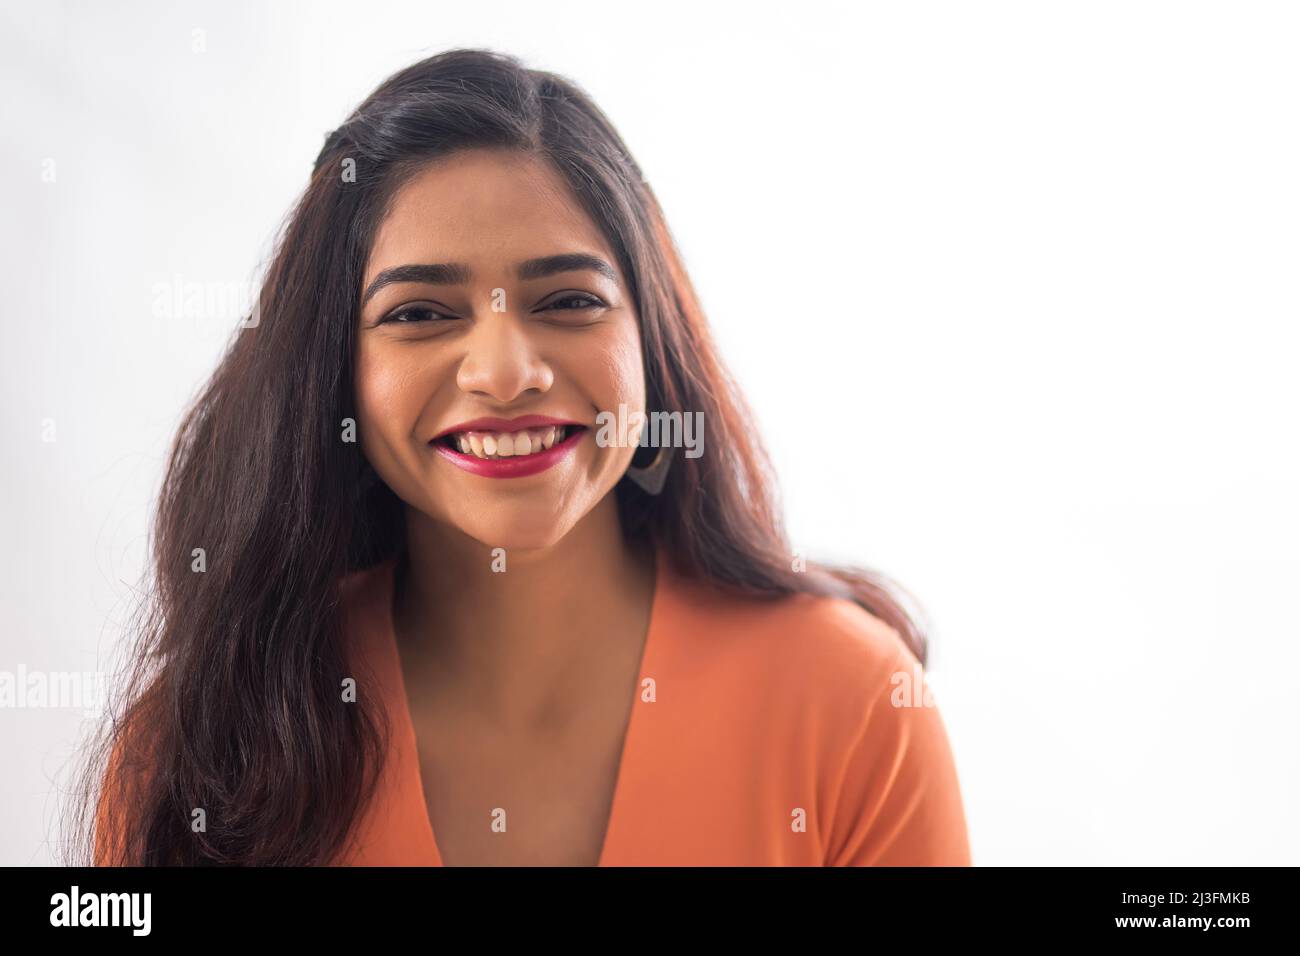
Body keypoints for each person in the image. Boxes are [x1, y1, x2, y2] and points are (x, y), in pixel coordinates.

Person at [79, 48, 970, 866]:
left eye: (569, 300)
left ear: (653, 342)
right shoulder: (203, 749)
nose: (506, 373)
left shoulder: (853, 704)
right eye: (420, 312)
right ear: (331, 373)